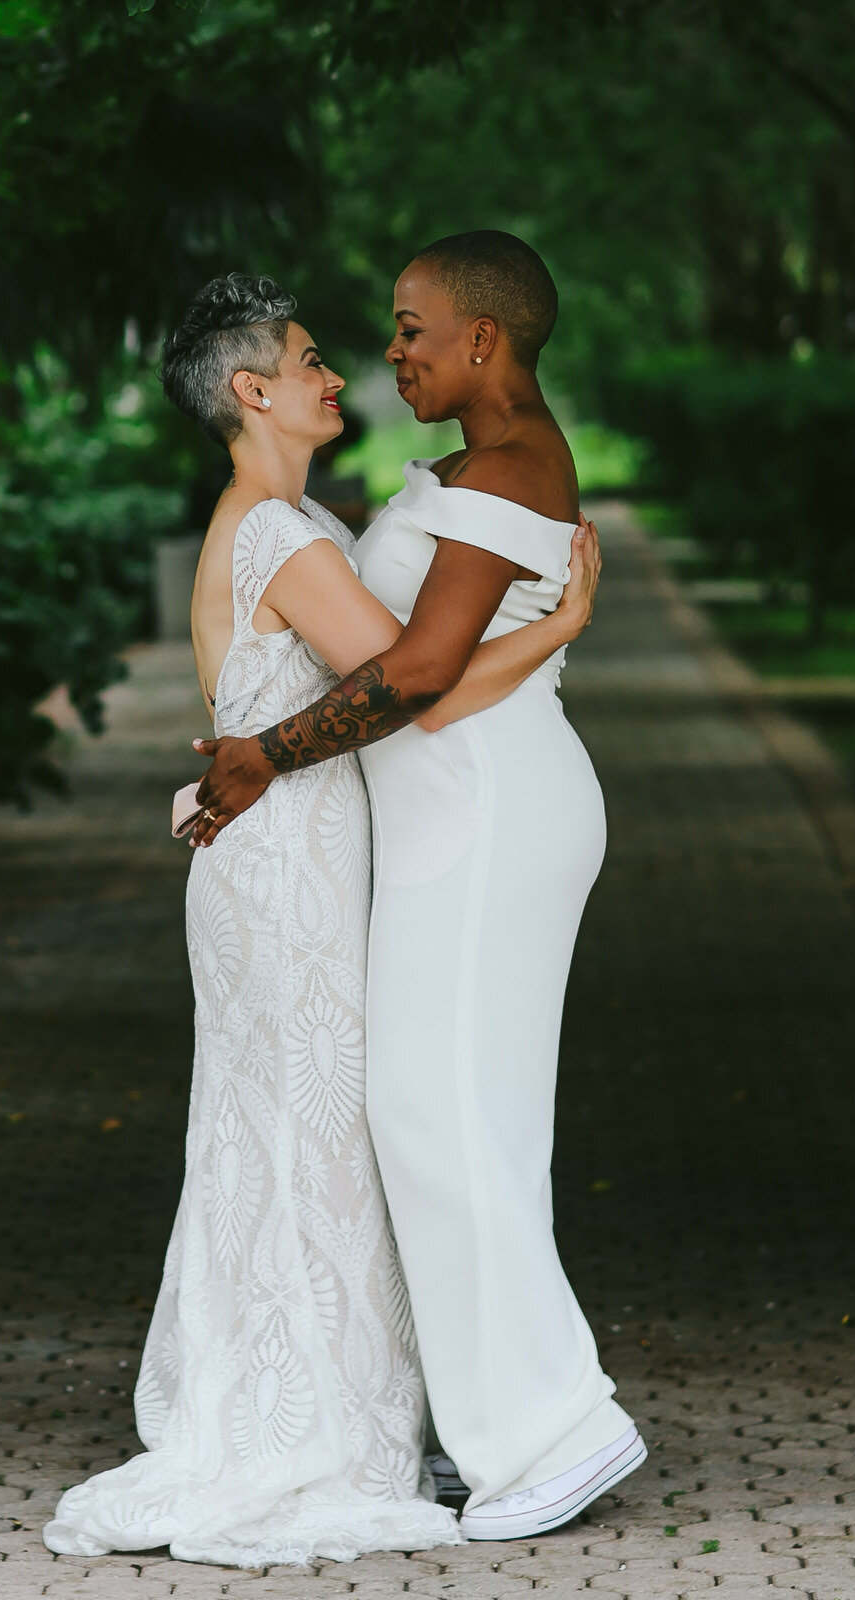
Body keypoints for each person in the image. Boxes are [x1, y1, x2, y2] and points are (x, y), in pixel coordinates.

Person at [44, 273, 604, 1568]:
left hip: (296, 847)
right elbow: (414, 680)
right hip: (285, 859)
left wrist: (548, 629)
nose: (340, 372)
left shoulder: (289, 517)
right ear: (252, 392)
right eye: (309, 361)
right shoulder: (280, 533)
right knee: (309, 1134)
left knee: (300, 1131)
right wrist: (562, 626)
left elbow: (415, 672)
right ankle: (316, 1426)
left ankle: (343, 1408)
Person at [190, 233, 645, 1541]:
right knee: (450, 1115)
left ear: (483, 340)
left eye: (409, 329)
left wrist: (258, 760)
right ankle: (487, 1420)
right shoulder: (475, 470)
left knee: (438, 1115)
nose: (390, 354)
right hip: (463, 815)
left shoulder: (510, 468)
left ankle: (552, 1434)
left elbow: (414, 674)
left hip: (492, 812)